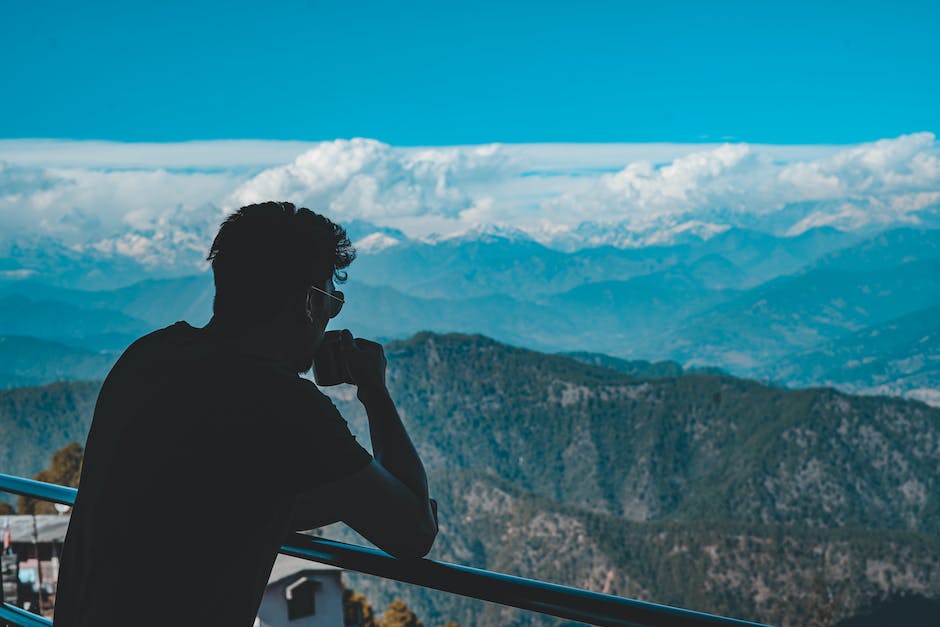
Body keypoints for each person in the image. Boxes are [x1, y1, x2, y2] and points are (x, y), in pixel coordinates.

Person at [54, 201, 437, 626]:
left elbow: (209, 505)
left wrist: (344, 498)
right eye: (333, 299)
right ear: (309, 303)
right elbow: (414, 532)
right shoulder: (281, 402)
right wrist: (374, 391)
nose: (332, 314)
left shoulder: (148, 356)